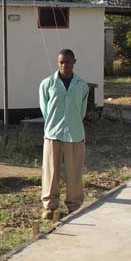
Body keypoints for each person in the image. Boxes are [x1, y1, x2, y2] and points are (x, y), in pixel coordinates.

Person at [38, 49, 90, 220]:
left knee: (74, 172)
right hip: (53, 134)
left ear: (74, 62)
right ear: (57, 62)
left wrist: (71, 123)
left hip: (75, 135)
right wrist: (54, 123)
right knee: (51, 172)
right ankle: (50, 206)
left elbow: (81, 111)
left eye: (68, 62)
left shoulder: (81, 85)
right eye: (61, 62)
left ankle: (74, 206)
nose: (64, 65)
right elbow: (45, 109)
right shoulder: (47, 84)